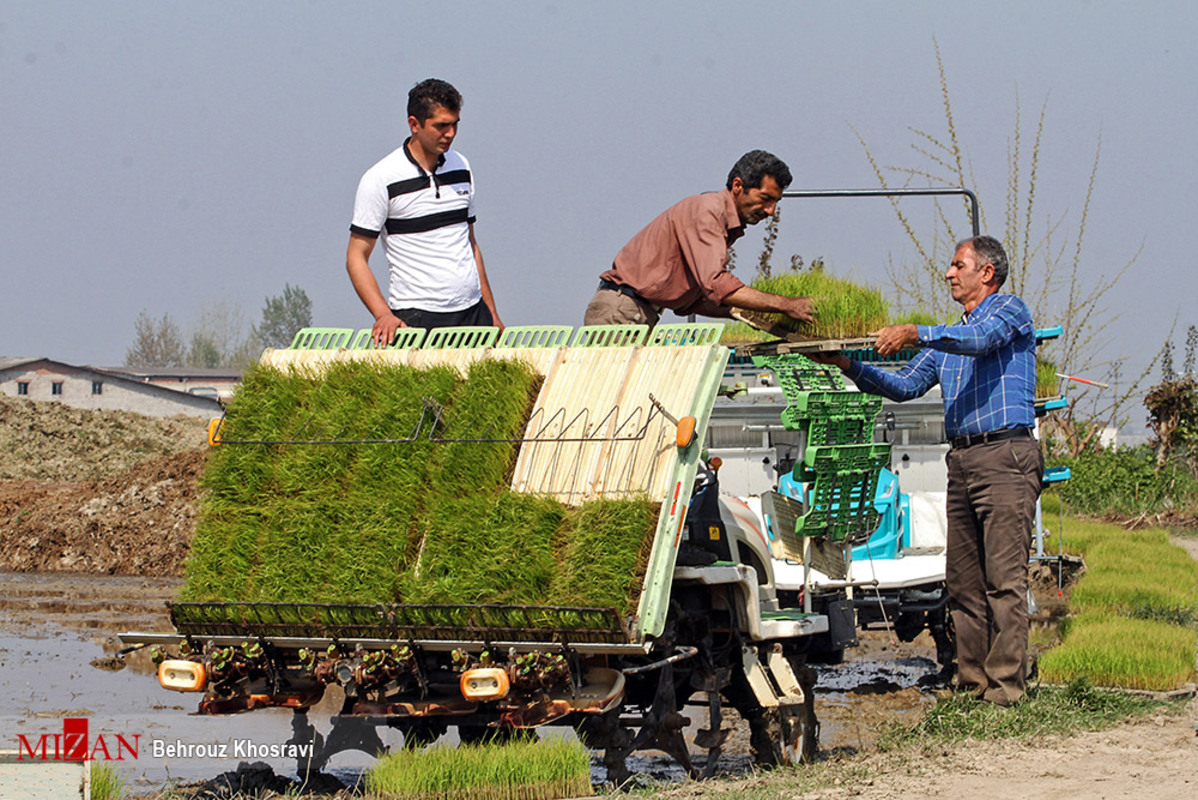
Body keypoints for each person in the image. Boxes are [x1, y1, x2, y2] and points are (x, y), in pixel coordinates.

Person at [813, 235, 1042, 706]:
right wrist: (846, 364)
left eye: (959, 265)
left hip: (1005, 456)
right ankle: (971, 682)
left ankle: (1005, 692)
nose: (949, 273)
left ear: (987, 273)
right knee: (962, 583)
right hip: (962, 460)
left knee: (1004, 580)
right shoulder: (946, 340)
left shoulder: (1009, 312)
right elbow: (904, 386)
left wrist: (917, 331)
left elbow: (981, 341)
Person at [347, 78, 503, 347]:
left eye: (455, 124)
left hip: (473, 316)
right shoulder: (380, 178)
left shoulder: (461, 166)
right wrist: (382, 313)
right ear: (414, 124)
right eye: (441, 125)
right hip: (417, 320)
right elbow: (356, 257)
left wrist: (491, 314)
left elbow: (470, 243)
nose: (450, 133)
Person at [583, 150, 815, 327]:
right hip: (622, 310)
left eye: (776, 202)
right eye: (765, 198)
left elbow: (691, 300)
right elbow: (715, 283)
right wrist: (786, 304)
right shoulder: (708, 211)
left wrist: (740, 311)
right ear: (738, 186)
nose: (771, 211)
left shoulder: (722, 223)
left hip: (637, 311)